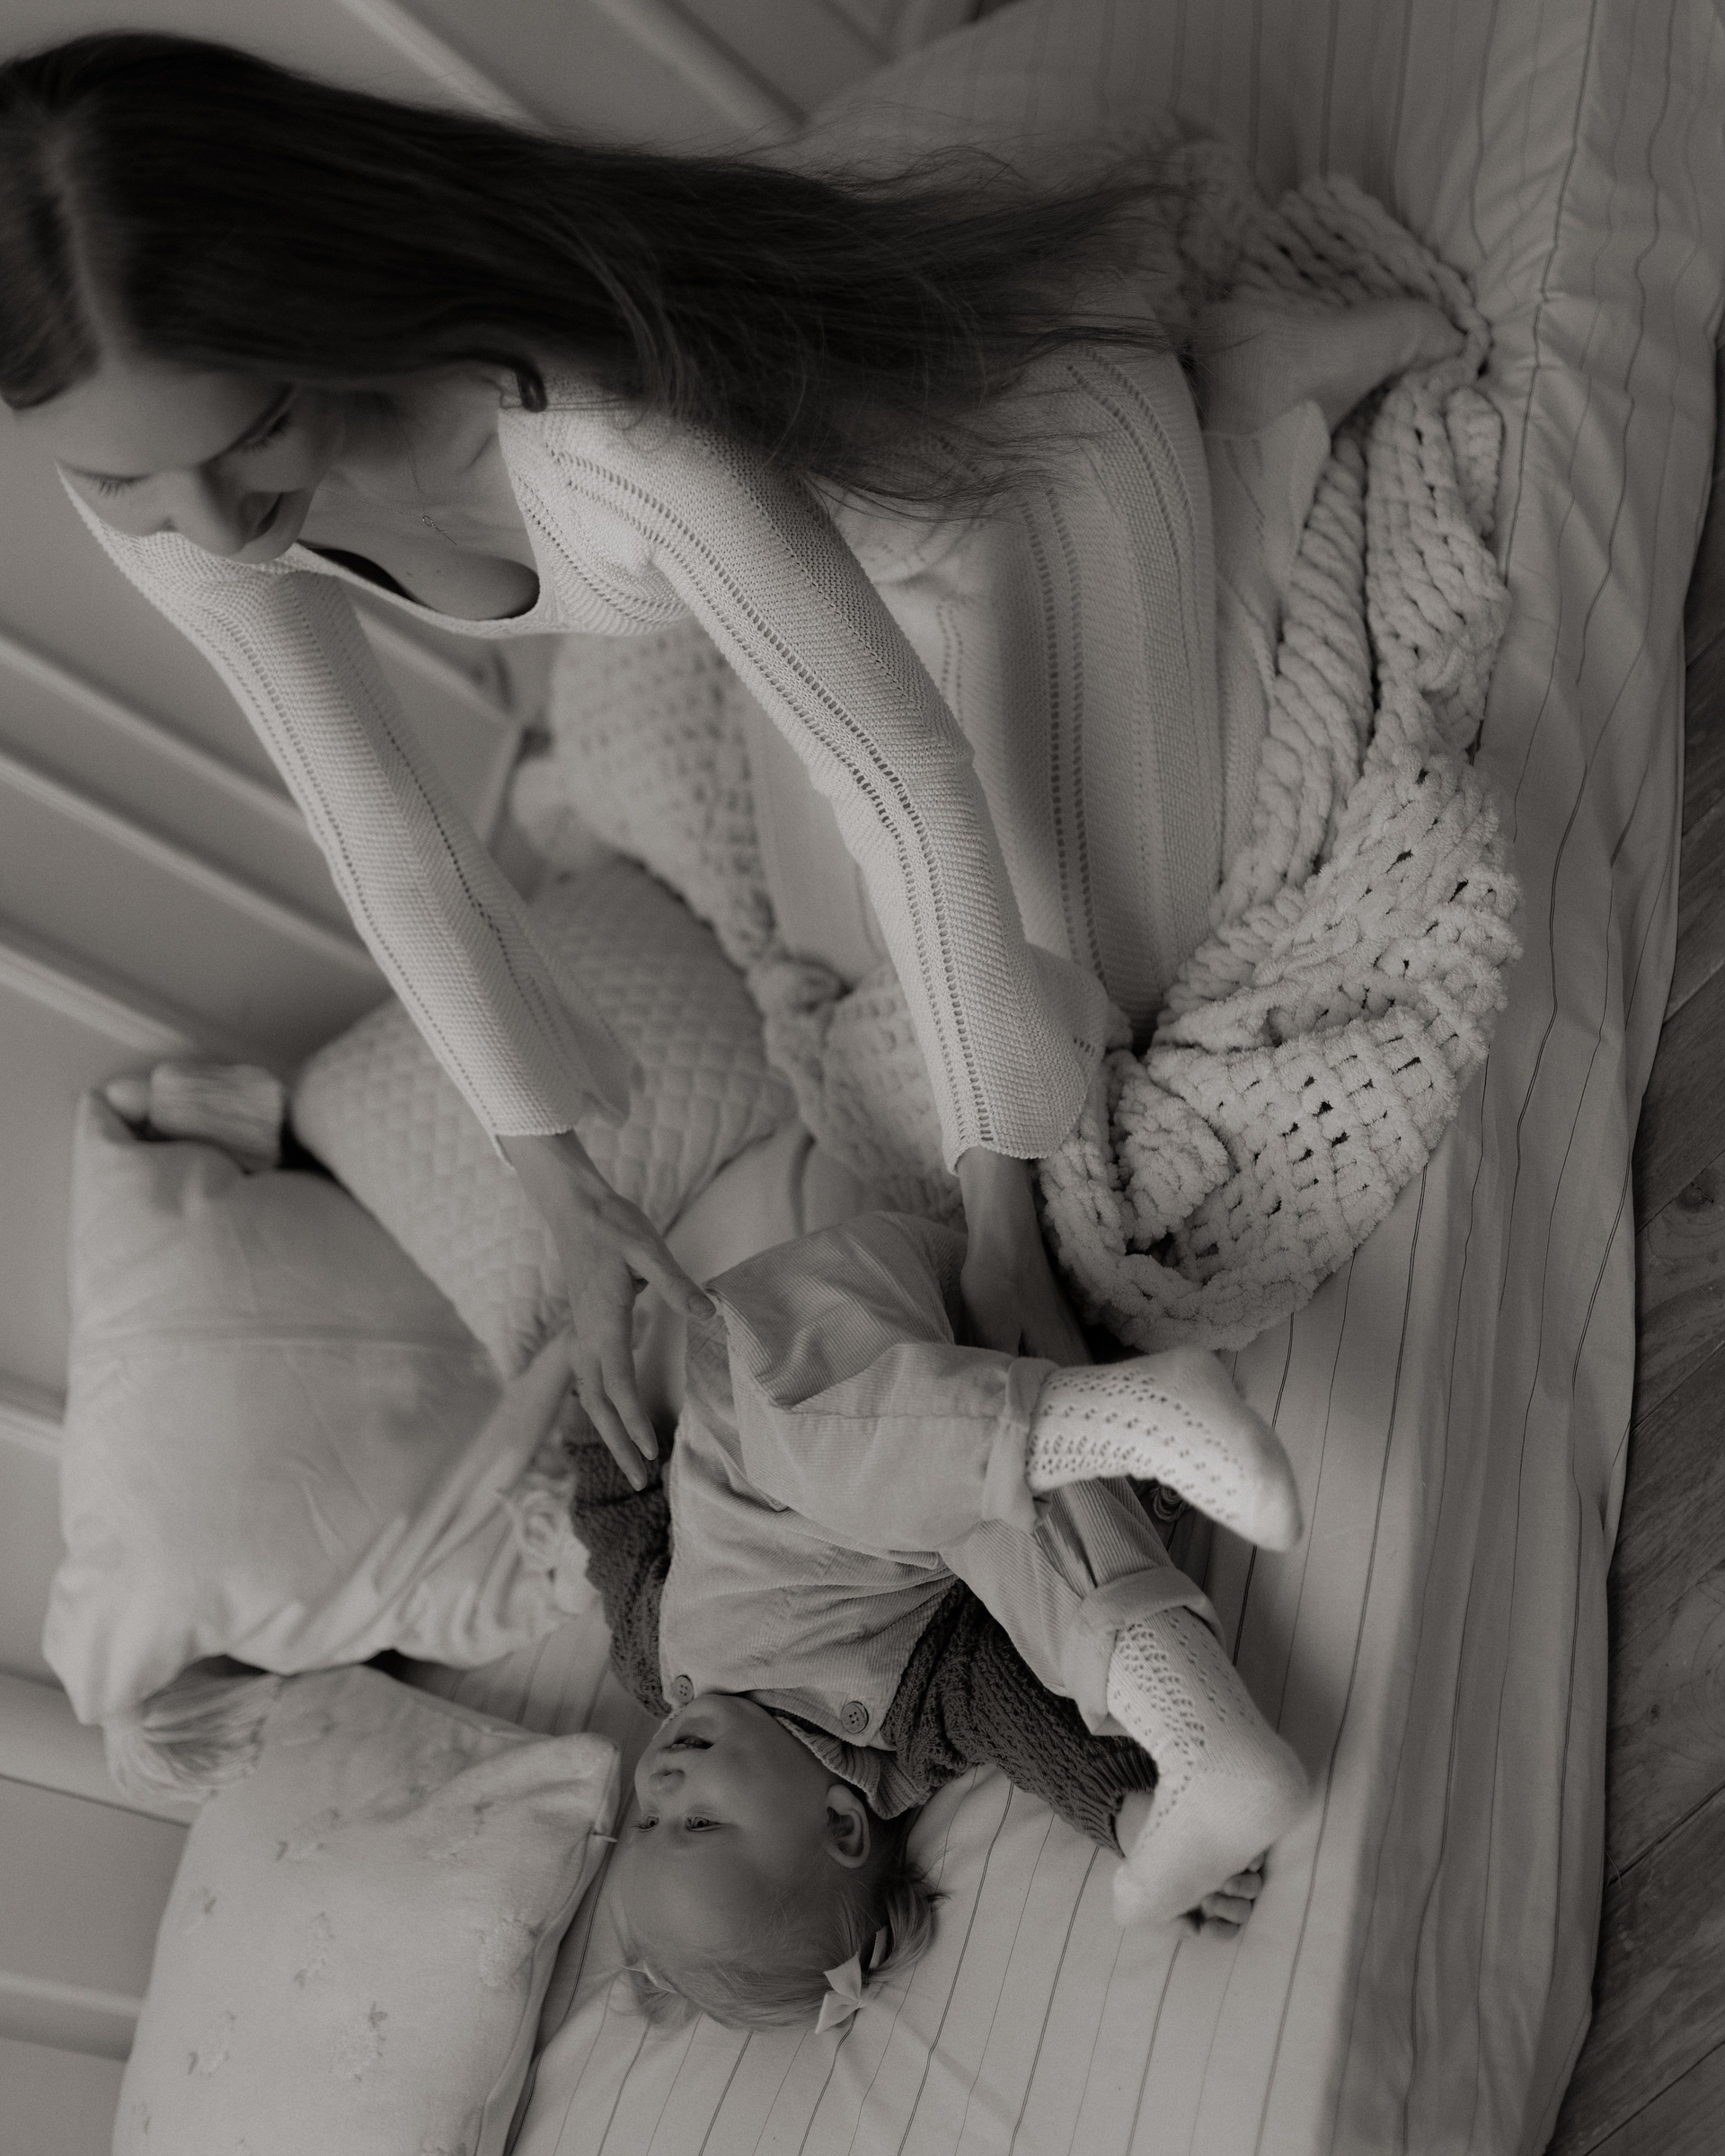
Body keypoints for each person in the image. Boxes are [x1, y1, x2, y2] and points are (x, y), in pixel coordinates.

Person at [0, 32, 1463, 1477]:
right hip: (834, 588)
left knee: (1099, 1010)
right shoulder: (177, 495)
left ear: (329, 296)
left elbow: (903, 785)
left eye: (256, 427)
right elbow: (377, 828)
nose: (205, 527)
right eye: (121, 479)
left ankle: (1239, 402)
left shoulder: (602, 429)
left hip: (1016, 480)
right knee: (880, 1045)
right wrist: (562, 1192)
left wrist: (1008, 1237)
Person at [565, 1207, 1310, 2028]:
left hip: (815, 1338)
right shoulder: (917, 1715)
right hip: (976, 1363)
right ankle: (1203, 1732)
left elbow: (616, 1520)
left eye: (646, 1820)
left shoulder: (654, 1657)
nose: (660, 1784)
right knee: (1008, 1542)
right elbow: (1031, 1733)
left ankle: (1105, 1422)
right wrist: (1129, 1818)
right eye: (698, 1822)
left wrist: (591, 1400)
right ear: (841, 1824)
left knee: (835, 1463)